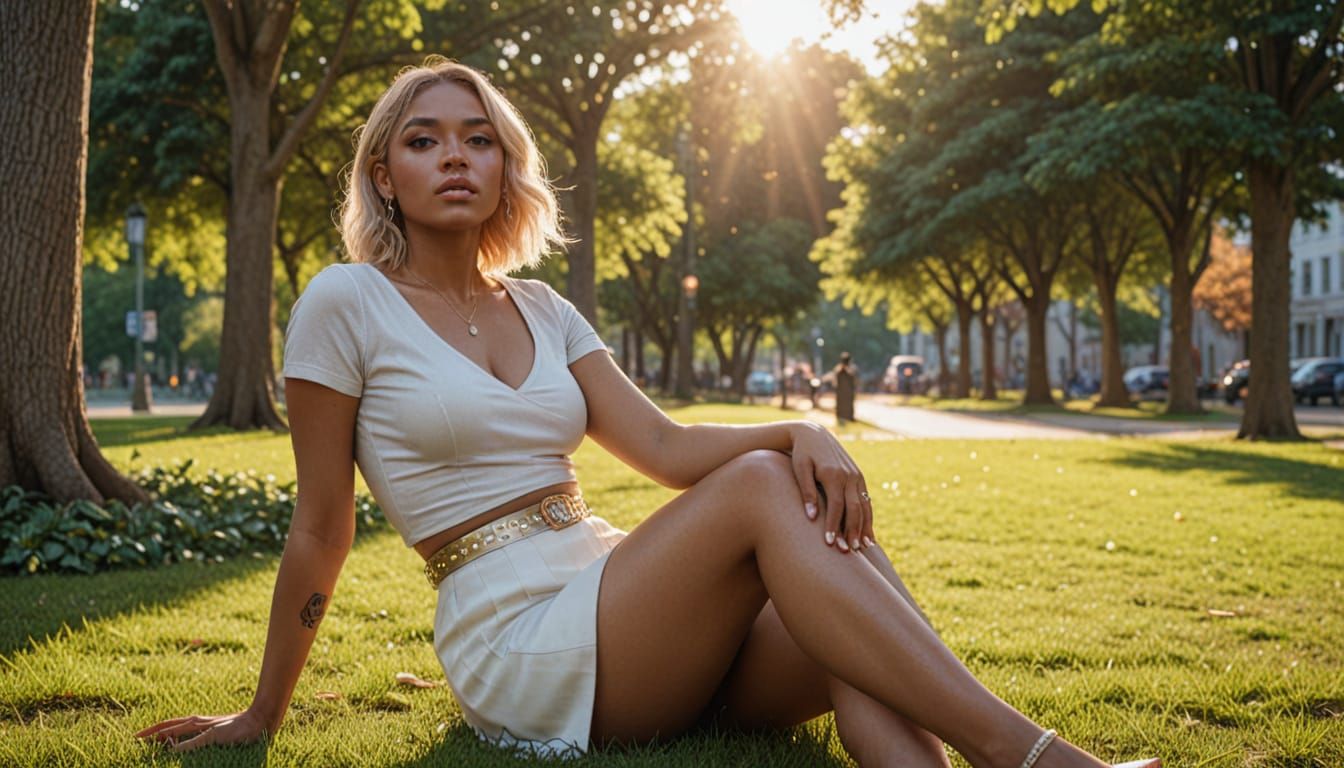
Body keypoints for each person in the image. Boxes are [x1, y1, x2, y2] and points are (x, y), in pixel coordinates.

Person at [135, 58, 1158, 768]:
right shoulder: (343, 301)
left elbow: (666, 449)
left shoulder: (543, 306)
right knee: (770, 490)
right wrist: (261, 713)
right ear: (383, 176)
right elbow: (321, 525)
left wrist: (804, 429)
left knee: (849, 614)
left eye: (479, 141)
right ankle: (1029, 755)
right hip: (517, 637)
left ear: (505, 173)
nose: (456, 157)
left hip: (629, 604)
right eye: (424, 140)